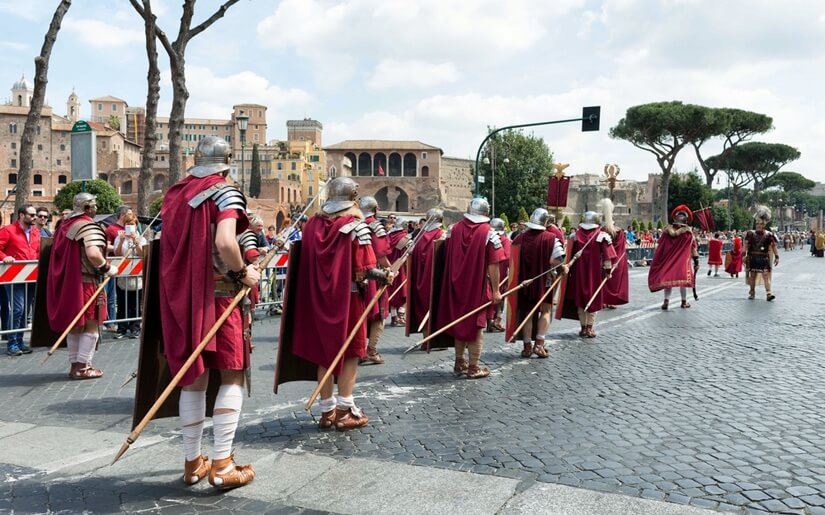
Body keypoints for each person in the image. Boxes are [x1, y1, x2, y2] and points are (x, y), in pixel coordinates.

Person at [158, 136, 260, 489]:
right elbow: (224, 243)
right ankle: (222, 464)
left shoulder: (176, 195)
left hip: (182, 298)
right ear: (227, 163)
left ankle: (192, 463)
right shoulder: (224, 192)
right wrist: (241, 272)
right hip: (220, 298)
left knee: (194, 378)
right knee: (231, 376)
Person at [276, 176, 392, 431]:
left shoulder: (313, 225)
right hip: (348, 301)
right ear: (353, 199)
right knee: (351, 354)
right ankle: (343, 410)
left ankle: (326, 411)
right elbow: (365, 270)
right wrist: (386, 276)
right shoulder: (357, 226)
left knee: (324, 355)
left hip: (317, 300)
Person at [431, 198, 506, 379]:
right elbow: (494, 264)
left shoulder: (453, 229)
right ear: (486, 212)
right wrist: (496, 290)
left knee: (459, 322)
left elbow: (443, 252)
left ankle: (459, 361)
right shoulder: (489, 233)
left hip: (454, 285)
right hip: (475, 286)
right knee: (476, 325)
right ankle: (473, 366)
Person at [46, 193, 112, 376]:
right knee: (91, 325)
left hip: (71, 283)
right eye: (94, 205)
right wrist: (107, 267)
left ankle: (75, 364)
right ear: (86, 207)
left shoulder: (65, 225)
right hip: (88, 283)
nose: (96, 209)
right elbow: (92, 253)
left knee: (76, 326)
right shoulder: (87, 226)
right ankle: (83, 367)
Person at [508, 208, 565, 357]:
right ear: (545, 222)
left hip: (524, 283)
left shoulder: (519, 238)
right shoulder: (551, 238)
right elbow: (556, 261)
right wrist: (563, 269)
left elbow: (512, 262)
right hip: (543, 283)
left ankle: (527, 346)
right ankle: (539, 345)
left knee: (527, 312)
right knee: (545, 311)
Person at [558, 211, 616, 337]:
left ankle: (583, 328)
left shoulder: (574, 236)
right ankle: (590, 328)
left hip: (578, 274)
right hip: (594, 274)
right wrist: (608, 272)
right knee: (593, 298)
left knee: (580, 300)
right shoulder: (602, 236)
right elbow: (607, 257)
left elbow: (567, 256)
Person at [0, 205, 41, 356]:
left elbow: (37, 252)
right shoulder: (8, 230)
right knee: (18, 308)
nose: (35, 217)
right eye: (31, 215)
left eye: (35, 214)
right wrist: (5, 257)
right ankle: (12, 343)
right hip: (14, 277)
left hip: (31, 277)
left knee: (25, 311)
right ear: (21, 215)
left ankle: (19, 341)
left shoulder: (36, 232)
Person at [358, 196, 391, 365]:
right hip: (374, 276)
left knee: (360, 314)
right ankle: (370, 350)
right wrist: (390, 270)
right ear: (376, 209)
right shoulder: (375, 226)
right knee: (378, 313)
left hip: (357, 276)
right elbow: (380, 254)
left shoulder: (353, 223)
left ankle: (360, 349)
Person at [648, 205, 699, 310]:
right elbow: (693, 248)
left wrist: (658, 259)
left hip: (668, 261)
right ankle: (684, 302)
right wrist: (696, 261)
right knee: (683, 281)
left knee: (668, 281)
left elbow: (660, 247)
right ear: (686, 220)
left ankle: (666, 301)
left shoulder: (666, 232)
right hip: (682, 263)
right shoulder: (688, 234)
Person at [405, 209, 444, 339]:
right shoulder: (440, 235)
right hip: (435, 280)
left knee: (423, 305)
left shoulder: (419, 236)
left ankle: (425, 336)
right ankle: (431, 339)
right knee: (435, 306)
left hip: (419, 280)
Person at [113, 212, 146, 339]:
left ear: (136, 225)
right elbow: (116, 253)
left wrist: (135, 241)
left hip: (137, 278)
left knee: (135, 304)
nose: (129, 226)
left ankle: (135, 328)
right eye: (127, 224)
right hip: (123, 276)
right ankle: (121, 328)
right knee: (121, 303)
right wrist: (121, 241)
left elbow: (142, 254)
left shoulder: (141, 237)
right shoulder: (119, 237)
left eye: (132, 224)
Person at [104, 205, 132, 331]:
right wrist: (117, 246)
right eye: (129, 214)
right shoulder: (111, 229)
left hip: (128, 267)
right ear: (122, 215)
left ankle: (126, 322)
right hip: (113, 265)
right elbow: (106, 245)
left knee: (124, 296)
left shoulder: (131, 228)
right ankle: (110, 322)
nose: (132, 216)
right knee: (110, 296)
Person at [743, 206, 779, 301]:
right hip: (753, 257)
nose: (758, 225)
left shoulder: (769, 235)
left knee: (766, 275)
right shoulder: (750, 233)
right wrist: (743, 255)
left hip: (763, 259)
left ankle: (769, 293)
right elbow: (746, 245)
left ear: (764, 225)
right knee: (753, 276)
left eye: (760, 224)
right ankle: (752, 292)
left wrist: (777, 256)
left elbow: (774, 246)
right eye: (757, 224)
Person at [600, 199, 629, 309]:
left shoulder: (601, 230)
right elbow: (621, 248)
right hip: (615, 259)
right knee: (612, 280)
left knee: (603, 279)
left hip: (603, 258)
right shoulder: (619, 231)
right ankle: (610, 301)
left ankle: (603, 300)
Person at [486, 217, 511, 333]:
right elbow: (507, 257)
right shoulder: (505, 240)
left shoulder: (487, 238)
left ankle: (490, 321)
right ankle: (496, 320)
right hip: (498, 273)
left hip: (488, 273)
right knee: (499, 296)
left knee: (488, 296)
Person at [386, 222, 410, 327]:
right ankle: (400, 316)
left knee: (392, 292)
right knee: (403, 293)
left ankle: (394, 318)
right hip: (401, 270)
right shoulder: (404, 238)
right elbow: (407, 257)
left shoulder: (388, 237)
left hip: (389, 268)